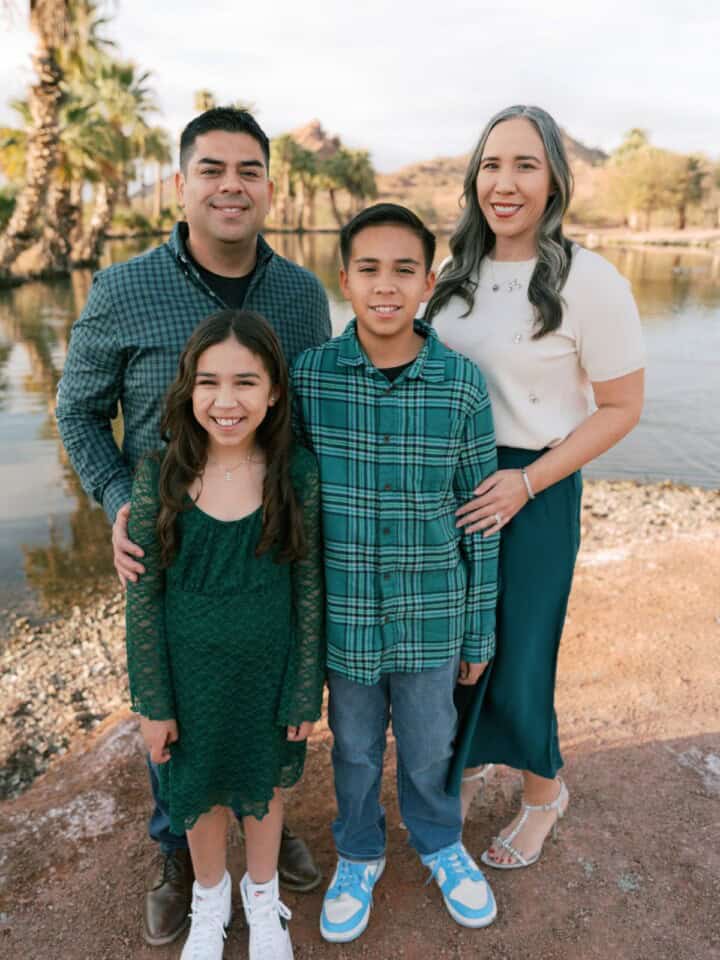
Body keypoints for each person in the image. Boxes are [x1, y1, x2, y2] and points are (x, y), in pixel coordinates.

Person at [55, 107, 330, 946]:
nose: (230, 186)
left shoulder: (299, 293)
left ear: (269, 186)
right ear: (183, 183)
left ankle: (262, 837)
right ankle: (181, 854)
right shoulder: (124, 288)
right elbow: (76, 410)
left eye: (248, 170)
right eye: (212, 169)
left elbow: (307, 416)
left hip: (267, 534)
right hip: (170, 538)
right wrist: (117, 498)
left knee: (263, 700)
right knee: (174, 707)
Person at [426, 105, 645, 869]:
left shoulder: (591, 280)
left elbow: (621, 407)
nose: (504, 182)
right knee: (450, 650)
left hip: (534, 492)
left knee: (520, 656)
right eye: (491, 165)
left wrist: (526, 482)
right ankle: (462, 763)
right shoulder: (451, 275)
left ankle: (545, 792)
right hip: (447, 490)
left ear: (554, 179)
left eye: (524, 164)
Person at [292, 203, 500, 942]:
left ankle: (440, 841)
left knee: (430, 743)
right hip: (344, 619)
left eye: (403, 269)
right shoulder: (308, 379)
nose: (386, 286)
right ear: (343, 279)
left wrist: (479, 630)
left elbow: (481, 520)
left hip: (433, 616)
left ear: (429, 281)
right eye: (369, 269)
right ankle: (358, 849)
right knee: (349, 746)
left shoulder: (462, 386)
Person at [126, 309, 324, 960]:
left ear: (273, 391)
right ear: (188, 388)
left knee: (263, 788)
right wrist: (153, 702)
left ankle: (262, 900)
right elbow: (145, 597)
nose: (226, 400)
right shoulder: (161, 473)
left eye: (246, 382)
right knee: (203, 792)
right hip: (190, 674)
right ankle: (211, 901)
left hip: (267, 670)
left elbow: (308, 589)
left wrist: (303, 688)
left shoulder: (293, 473)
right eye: (209, 382)